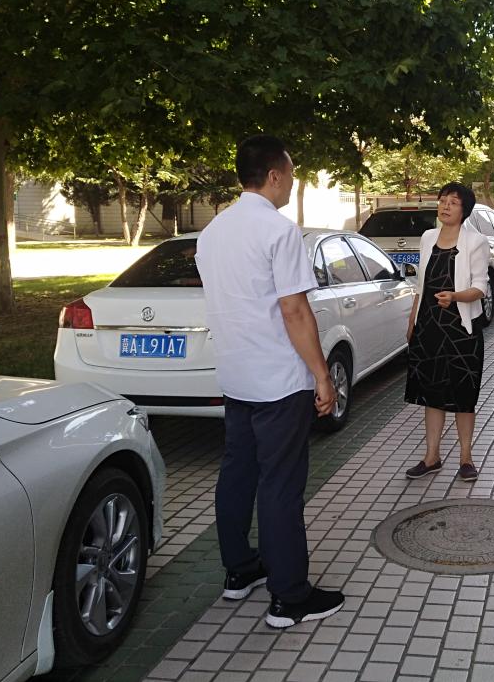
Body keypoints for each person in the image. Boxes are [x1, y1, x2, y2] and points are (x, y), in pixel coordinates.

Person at [196, 134, 344, 628]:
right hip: (279, 380)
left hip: (235, 375)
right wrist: (322, 375)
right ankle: (289, 597)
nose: (293, 183)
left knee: (237, 473)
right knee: (280, 485)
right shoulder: (279, 231)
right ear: (275, 175)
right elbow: (294, 310)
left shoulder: (212, 232)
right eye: (292, 174)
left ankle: (240, 570)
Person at [404, 182, 489, 482]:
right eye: (442, 200)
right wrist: (412, 319)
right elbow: (421, 284)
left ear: (464, 210)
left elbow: (480, 287)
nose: (445, 206)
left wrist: (454, 297)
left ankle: (466, 458)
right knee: (432, 394)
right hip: (429, 325)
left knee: (463, 394)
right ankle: (432, 457)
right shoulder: (428, 237)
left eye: (453, 202)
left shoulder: (475, 241)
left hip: (461, 327)